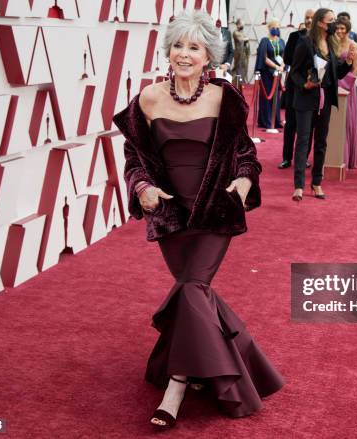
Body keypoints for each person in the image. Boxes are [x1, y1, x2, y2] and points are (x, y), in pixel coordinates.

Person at [111, 10, 284, 428]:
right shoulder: (149, 98)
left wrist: (243, 182)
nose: (184, 54)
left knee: (193, 286)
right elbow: (135, 158)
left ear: (208, 55)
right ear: (168, 50)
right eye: (177, 45)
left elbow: (244, 152)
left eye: (194, 47)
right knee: (195, 293)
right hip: (171, 216)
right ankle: (246, 362)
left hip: (214, 211)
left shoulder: (224, 96)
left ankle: (176, 383)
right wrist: (142, 189)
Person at [290, 8, 353, 200]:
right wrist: (305, 84)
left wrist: (348, 63)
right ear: (320, 23)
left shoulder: (332, 44)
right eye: (331, 20)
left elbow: (336, 74)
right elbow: (294, 72)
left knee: (321, 142)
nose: (335, 23)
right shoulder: (305, 43)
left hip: (325, 99)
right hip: (307, 97)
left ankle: (316, 183)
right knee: (303, 141)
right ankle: (299, 186)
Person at [278, 8, 314, 169]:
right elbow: (286, 59)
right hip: (294, 85)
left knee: (307, 126)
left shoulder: (319, 39)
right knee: (290, 124)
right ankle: (286, 158)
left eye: (312, 18)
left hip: (310, 87)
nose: (309, 20)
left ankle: (304, 157)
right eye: (307, 17)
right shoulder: (294, 36)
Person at [334, 16, 357, 169]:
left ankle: (348, 157)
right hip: (331, 87)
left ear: (348, 29)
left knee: (347, 121)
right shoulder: (332, 44)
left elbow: (355, 70)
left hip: (347, 88)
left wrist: (343, 84)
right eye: (338, 28)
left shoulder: (354, 46)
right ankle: (332, 157)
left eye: (343, 28)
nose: (340, 31)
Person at [255, 18, 285, 129]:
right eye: (273, 27)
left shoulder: (281, 41)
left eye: (277, 27)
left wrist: (282, 66)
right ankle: (266, 121)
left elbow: (284, 56)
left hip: (277, 74)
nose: (276, 29)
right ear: (269, 28)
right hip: (267, 73)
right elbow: (264, 58)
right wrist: (276, 66)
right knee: (267, 97)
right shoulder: (265, 41)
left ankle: (275, 120)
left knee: (276, 97)